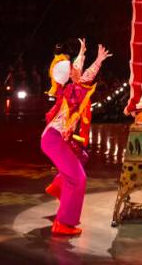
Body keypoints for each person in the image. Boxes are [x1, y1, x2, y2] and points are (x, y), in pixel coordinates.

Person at [41, 39, 111, 237]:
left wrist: (91, 56)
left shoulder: (70, 87)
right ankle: (63, 223)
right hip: (54, 139)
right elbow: (82, 79)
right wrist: (92, 60)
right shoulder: (71, 91)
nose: (76, 68)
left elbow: (83, 76)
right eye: (72, 68)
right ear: (68, 75)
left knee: (82, 157)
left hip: (59, 138)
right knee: (78, 178)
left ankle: (58, 187)